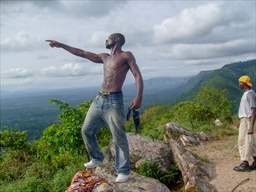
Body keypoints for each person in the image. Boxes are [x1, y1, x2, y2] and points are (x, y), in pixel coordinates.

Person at [46, 33, 144, 182]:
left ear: (117, 40)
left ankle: (123, 171)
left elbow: (137, 75)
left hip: (114, 100)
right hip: (99, 99)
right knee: (86, 130)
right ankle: (97, 157)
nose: (106, 40)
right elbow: (83, 53)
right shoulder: (104, 57)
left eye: (108, 38)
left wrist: (139, 97)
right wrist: (61, 45)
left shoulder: (126, 56)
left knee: (118, 136)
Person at [233, 75, 256, 172]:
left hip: (247, 120)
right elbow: (245, 109)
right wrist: (240, 121)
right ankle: (255, 161)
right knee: (251, 142)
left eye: (240, 82)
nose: (239, 84)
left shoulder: (250, 94)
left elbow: (254, 109)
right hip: (244, 119)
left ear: (244, 83)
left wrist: (250, 125)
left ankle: (245, 163)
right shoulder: (247, 93)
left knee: (243, 141)